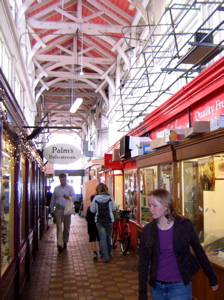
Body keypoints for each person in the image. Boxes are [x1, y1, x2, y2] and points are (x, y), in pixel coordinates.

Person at [138, 188, 219, 300]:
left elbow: (199, 251)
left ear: (167, 206)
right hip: (157, 288)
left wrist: (212, 277)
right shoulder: (148, 230)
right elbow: (143, 263)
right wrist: (142, 293)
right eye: (150, 205)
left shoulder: (184, 226)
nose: (150, 209)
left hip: (179, 286)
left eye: (154, 205)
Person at [50, 173, 76, 253]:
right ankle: (60, 244)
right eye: (61, 180)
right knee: (59, 227)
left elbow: (75, 197)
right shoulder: (56, 188)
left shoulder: (70, 188)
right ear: (59, 180)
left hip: (67, 209)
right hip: (59, 209)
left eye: (64, 179)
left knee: (67, 227)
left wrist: (69, 197)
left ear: (66, 179)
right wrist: (52, 210)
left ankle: (65, 241)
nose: (63, 181)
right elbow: (53, 199)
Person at [90, 183, 116, 263]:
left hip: (99, 221)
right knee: (108, 237)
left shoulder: (95, 198)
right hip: (109, 220)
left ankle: (106, 257)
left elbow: (92, 210)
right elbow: (114, 208)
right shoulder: (110, 197)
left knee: (102, 238)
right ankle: (109, 254)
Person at [86, 195, 101, 260]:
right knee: (99, 238)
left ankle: (95, 252)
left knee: (92, 239)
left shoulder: (89, 208)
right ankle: (101, 250)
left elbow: (87, 217)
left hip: (91, 225)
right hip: (98, 225)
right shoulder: (99, 208)